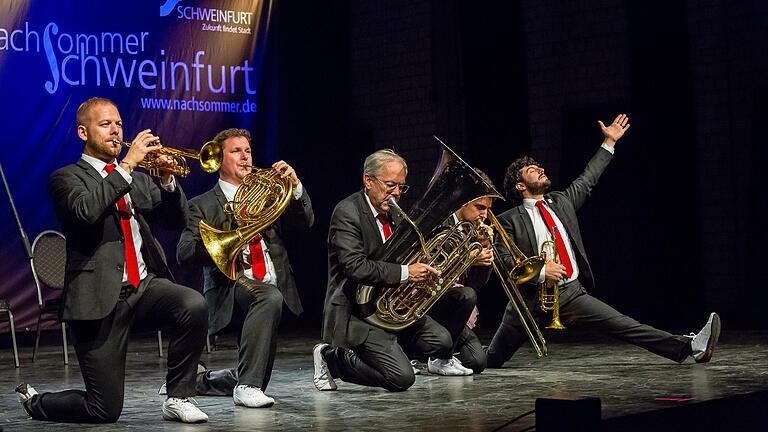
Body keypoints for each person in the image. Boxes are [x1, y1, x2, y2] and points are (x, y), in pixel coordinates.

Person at [15, 97, 209, 423]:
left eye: (118, 123)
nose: (116, 131)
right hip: (97, 300)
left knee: (193, 304)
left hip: (142, 288)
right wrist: (127, 166)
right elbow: (85, 211)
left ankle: (178, 396)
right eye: (105, 124)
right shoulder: (66, 178)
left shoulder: (136, 178)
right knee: (103, 410)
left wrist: (165, 181)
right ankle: (38, 402)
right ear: (82, 132)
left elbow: (176, 221)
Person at [486, 113, 721, 367]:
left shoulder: (560, 202)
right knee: (488, 360)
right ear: (520, 186)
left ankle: (690, 346)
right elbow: (506, 262)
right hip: (528, 302)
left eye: (539, 166)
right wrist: (542, 271)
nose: (541, 169)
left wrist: (609, 142)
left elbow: (588, 179)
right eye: (532, 170)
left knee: (623, 323)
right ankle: (448, 354)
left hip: (570, 293)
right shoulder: (508, 219)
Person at [313, 148, 471, 393]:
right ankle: (331, 359)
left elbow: (408, 257)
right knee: (401, 379)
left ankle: (389, 352)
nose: (396, 193)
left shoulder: (396, 215)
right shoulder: (347, 212)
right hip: (357, 311)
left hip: (388, 308)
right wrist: (407, 273)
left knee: (441, 341)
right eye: (390, 185)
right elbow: (355, 266)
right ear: (368, 180)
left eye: (401, 187)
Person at [176, 128, 313, 408]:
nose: (245, 157)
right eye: (236, 151)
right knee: (267, 297)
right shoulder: (199, 205)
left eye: (248, 151)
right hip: (232, 283)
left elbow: (304, 222)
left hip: (272, 281)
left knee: (259, 375)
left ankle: (199, 380)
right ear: (218, 160)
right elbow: (185, 253)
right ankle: (246, 387)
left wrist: (296, 186)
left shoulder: (270, 193)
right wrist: (226, 239)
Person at [420, 171, 498, 375]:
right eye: (480, 207)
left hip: (456, 309)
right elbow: (433, 273)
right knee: (466, 295)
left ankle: (438, 354)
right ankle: (438, 357)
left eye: (488, 210)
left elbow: (477, 283)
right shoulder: (438, 225)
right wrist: (468, 259)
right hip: (430, 303)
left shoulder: (473, 231)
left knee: (477, 361)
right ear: (463, 202)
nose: (485, 216)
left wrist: (485, 255)